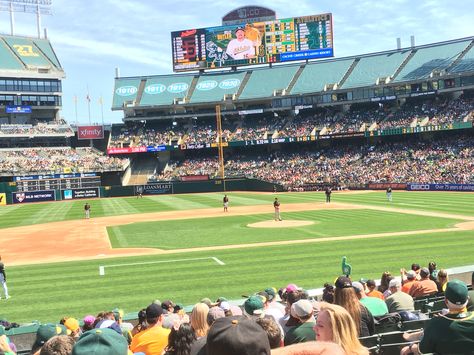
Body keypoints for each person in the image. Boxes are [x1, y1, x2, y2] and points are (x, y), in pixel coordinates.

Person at [401, 280, 474, 355]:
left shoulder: (436, 324)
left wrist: (411, 347)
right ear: (467, 299)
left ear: (445, 301)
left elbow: (422, 351)